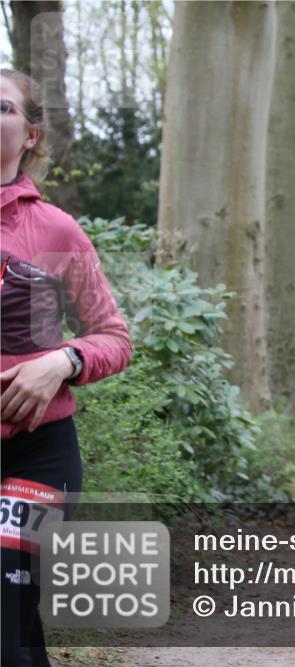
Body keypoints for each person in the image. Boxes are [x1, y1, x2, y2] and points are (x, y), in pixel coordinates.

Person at [1, 68, 132, 666]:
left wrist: (64, 359)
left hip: (37, 452)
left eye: (2, 107)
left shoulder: (55, 228)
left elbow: (113, 337)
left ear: (30, 135)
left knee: (6, 602)